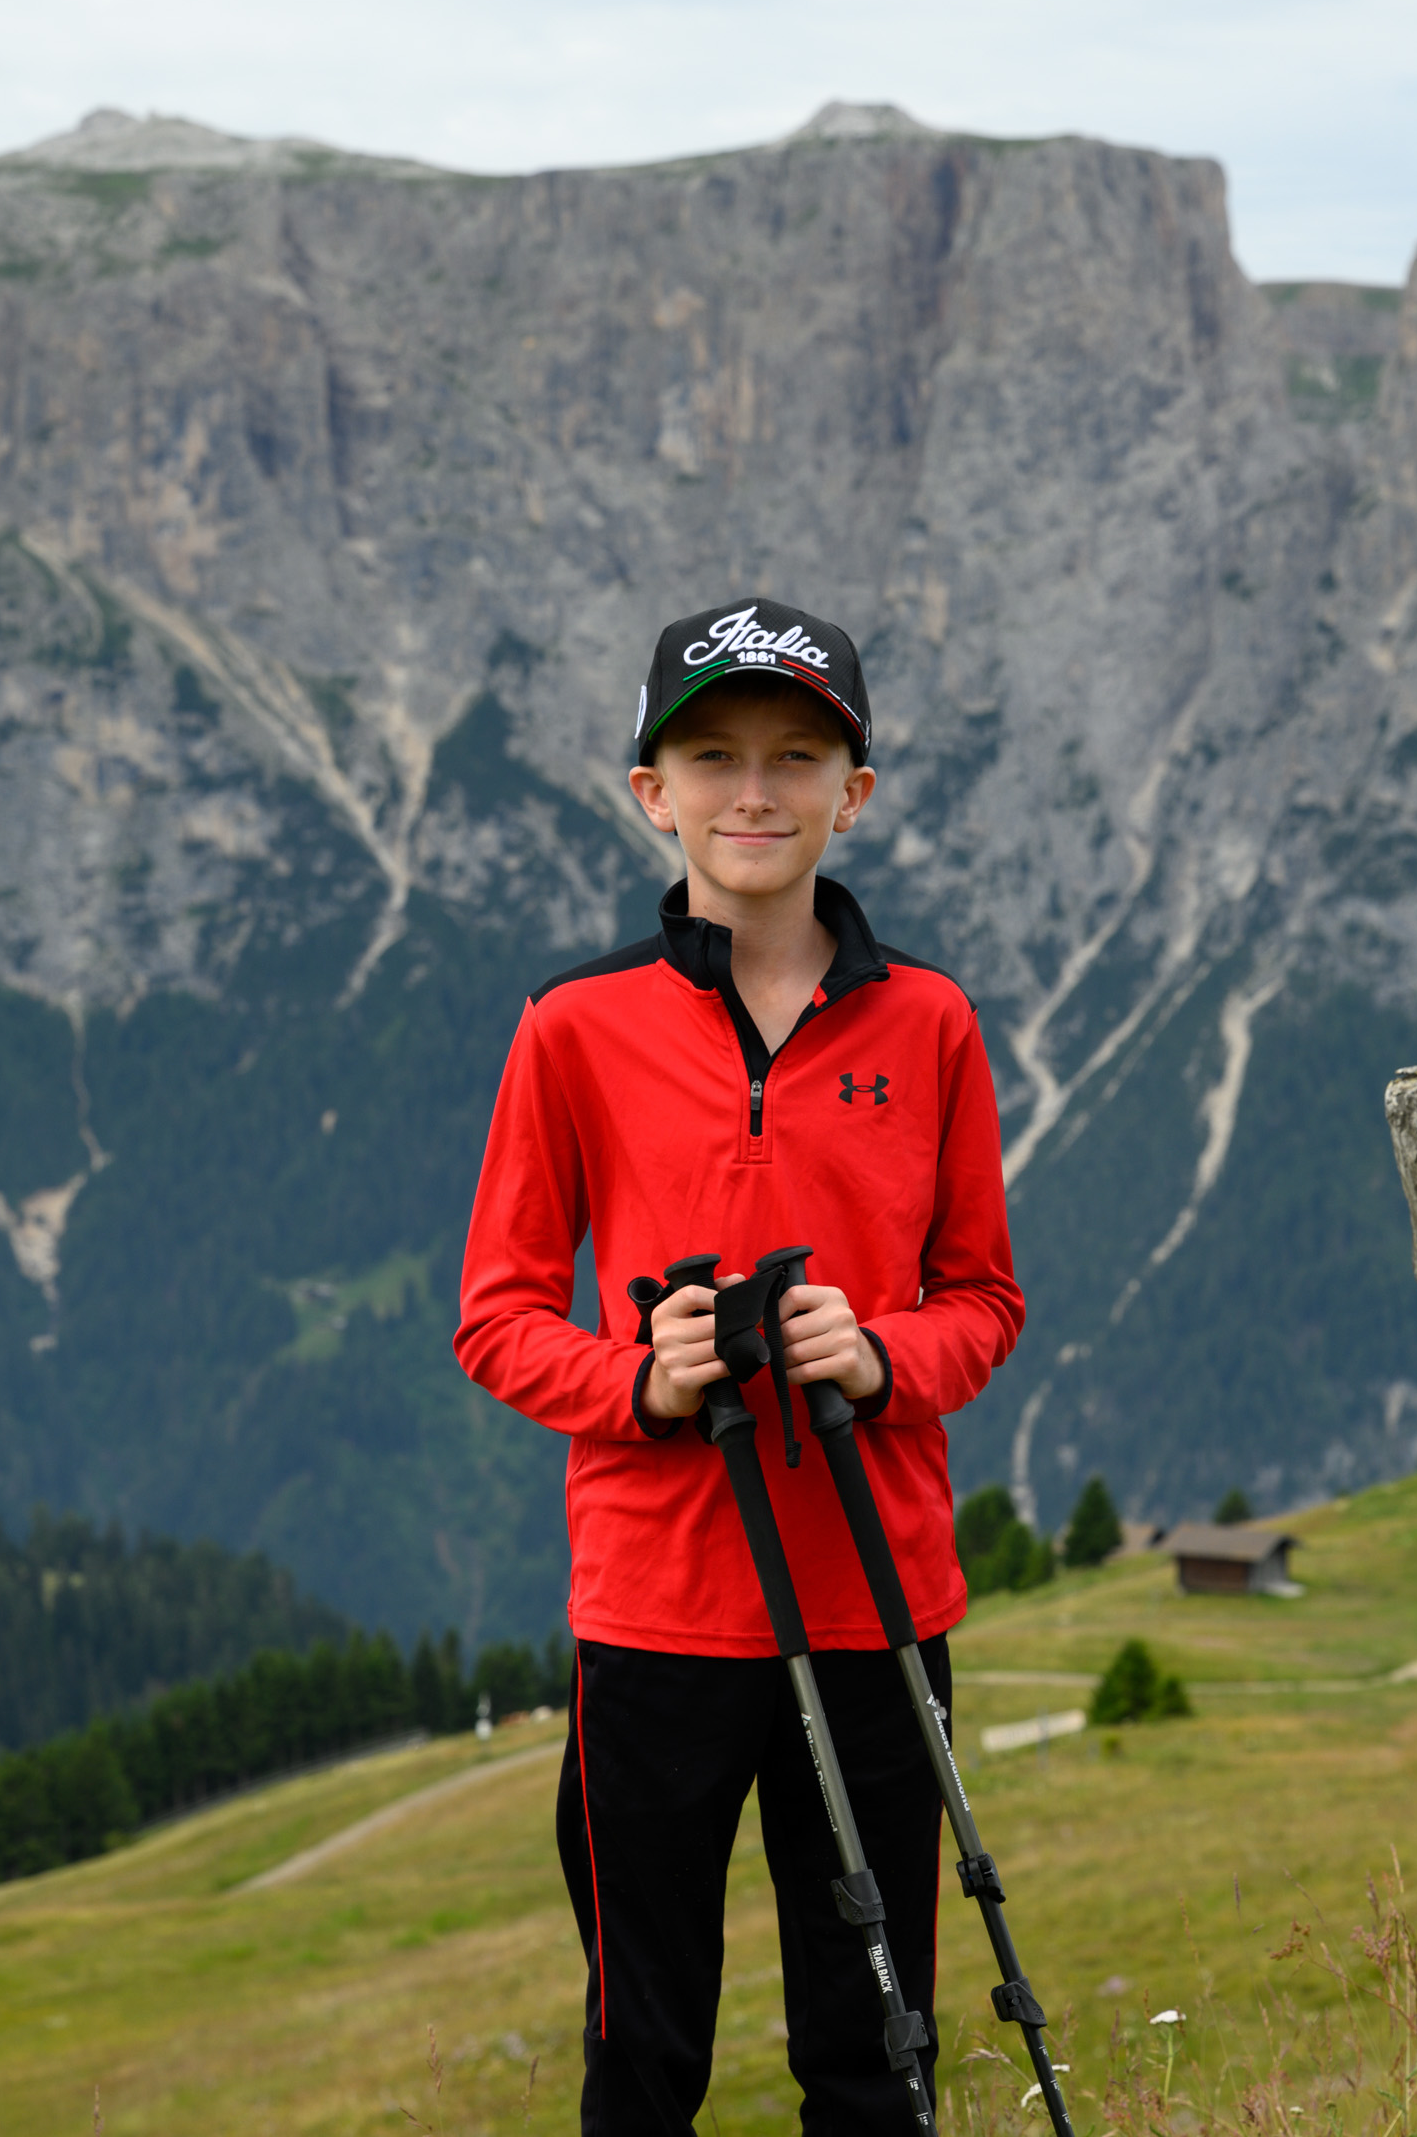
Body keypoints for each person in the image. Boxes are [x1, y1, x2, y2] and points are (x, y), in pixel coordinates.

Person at [455, 596, 1023, 2133]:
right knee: (645, 2058)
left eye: (796, 758)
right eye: (712, 757)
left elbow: (984, 1301)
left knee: (875, 2050)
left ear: (855, 792)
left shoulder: (933, 1023)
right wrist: (639, 1383)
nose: (753, 792)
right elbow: (497, 1318)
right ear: (654, 793)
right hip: (655, 1613)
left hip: (876, 1604)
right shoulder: (573, 1027)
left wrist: (881, 1356)